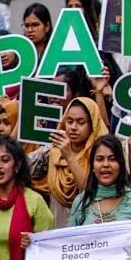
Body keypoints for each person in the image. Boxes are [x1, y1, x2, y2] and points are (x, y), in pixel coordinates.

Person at [45, 97, 109, 228]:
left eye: (81, 122)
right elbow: (18, 165)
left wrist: (69, 156)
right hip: (58, 231)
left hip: (89, 233)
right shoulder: (54, 151)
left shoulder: (102, 155)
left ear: (93, 125)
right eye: (69, 121)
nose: (73, 127)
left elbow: (88, 192)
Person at [66, 136, 131, 226]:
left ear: (121, 165)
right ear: (93, 167)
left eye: (112, 159)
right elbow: (70, 239)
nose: (105, 164)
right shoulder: (81, 202)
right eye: (100, 159)